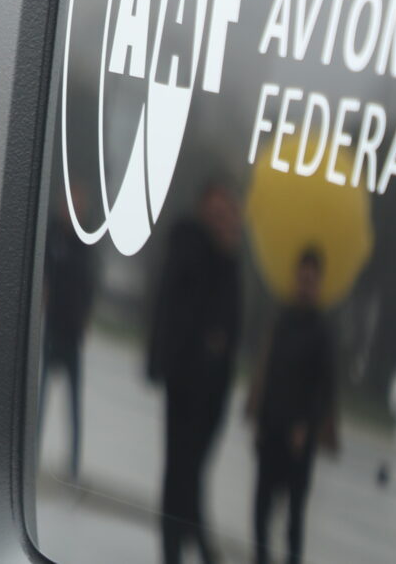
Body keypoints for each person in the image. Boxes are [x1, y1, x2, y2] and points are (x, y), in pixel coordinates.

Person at [148, 181, 244, 564]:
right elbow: (173, 306)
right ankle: (185, 548)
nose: (222, 220)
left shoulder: (227, 261)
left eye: (227, 214)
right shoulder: (190, 247)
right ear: (204, 210)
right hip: (187, 381)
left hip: (213, 390)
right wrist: (163, 359)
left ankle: (192, 543)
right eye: (216, 212)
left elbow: (231, 323)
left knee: (191, 471)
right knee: (181, 471)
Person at [248, 245, 340, 564]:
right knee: (261, 505)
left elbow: (324, 387)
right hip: (272, 427)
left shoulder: (322, 331)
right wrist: (259, 419)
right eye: (302, 278)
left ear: (318, 284)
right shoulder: (282, 320)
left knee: (295, 513)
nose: (305, 285)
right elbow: (268, 372)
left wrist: (307, 424)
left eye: (311, 280)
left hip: (300, 437)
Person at [41, 193, 96, 479]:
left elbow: (88, 283)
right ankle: (30, 448)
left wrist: (85, 316)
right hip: (51, 327)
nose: (74, 210)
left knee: (73, 400)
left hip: (72, 332)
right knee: (39, 395)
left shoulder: (84, 244)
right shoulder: (51, 236)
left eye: (79, 206)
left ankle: (74, 462)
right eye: (71, 205)